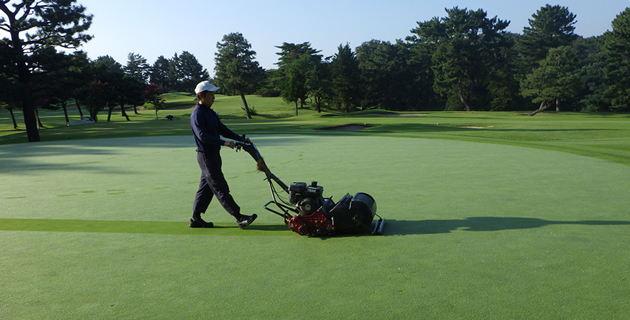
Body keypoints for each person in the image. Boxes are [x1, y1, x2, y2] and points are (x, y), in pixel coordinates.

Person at [189, 80, 257, 228]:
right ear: (201, 95)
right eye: (211, 94)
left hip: (213, 156)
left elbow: (222, 129)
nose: (214, 97)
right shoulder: (197, 115)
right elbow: (203, 136)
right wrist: (224, 143)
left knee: (206, 187)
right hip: (206, 156)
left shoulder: (210, 113)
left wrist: (240, 138)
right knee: (220, 187)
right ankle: (239, 217)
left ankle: (195, 218)